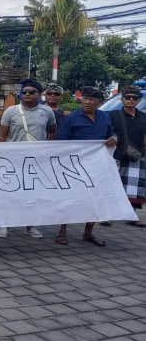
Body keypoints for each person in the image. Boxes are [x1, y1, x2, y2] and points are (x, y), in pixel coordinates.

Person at [56, 86, 118, 246]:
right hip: (75, 166)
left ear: (99, 102)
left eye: (92, 99)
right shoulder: (71, 118)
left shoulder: (104, 117)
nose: (87, 102)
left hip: (98, 165)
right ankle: (62, 231)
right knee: (71, 198)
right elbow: (61, 142)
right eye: (85, 99)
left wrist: (114, 138)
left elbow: (111, 133)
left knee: (95, 198)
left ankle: (88, 233)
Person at [0, 79, 57, 239]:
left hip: (37, 160)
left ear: (39, 94)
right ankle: (6, 223)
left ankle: (31, 225)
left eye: (32, 92)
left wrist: (46, 149)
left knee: (33, 193)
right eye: (25, 92)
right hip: (14, 158)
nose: (28, 94)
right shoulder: (10, 111)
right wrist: (2, 155)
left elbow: (52, 132)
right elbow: (2, 135)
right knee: (11, 192)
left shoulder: (47, 112)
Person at [106, 85, 146, 227]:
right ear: (122, 99)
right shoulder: (112, 115)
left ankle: (132, 215)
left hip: (137, 156)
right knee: (111, 185)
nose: (131, 100)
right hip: (116, 154)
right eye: (128, 97)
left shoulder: (143, 117)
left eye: (134, 98)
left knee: (133, 188)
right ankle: (106, 215)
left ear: (138, 100)